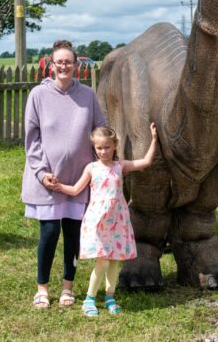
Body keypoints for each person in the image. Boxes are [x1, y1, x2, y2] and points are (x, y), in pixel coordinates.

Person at [22, 39, 107, 308]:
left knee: (73, 235)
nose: (64, 66)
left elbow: (99, 131)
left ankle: (68, 287)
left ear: (76, 65)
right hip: (48, 181)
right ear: (51, 64)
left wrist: (103, 166)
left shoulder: (88, 96)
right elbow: (32, 138)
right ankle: (42, 288)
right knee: (48, 233)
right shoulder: (38, 95)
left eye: (68, 61)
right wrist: (40, 172)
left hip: (78, 180)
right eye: (59, 61)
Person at [55, 122, 158, 317]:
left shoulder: (120, 166)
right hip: (99, 220)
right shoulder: (92, 168)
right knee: (102, 261)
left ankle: (110, 296)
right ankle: (89, 298)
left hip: (118, 219)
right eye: (99, 148)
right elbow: (76, 189)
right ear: (94, 148)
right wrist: (58, 186)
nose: (103, 151)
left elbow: (145, 162)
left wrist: (154, 140)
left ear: (115, 146)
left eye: (107, 147)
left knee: (114, 261)